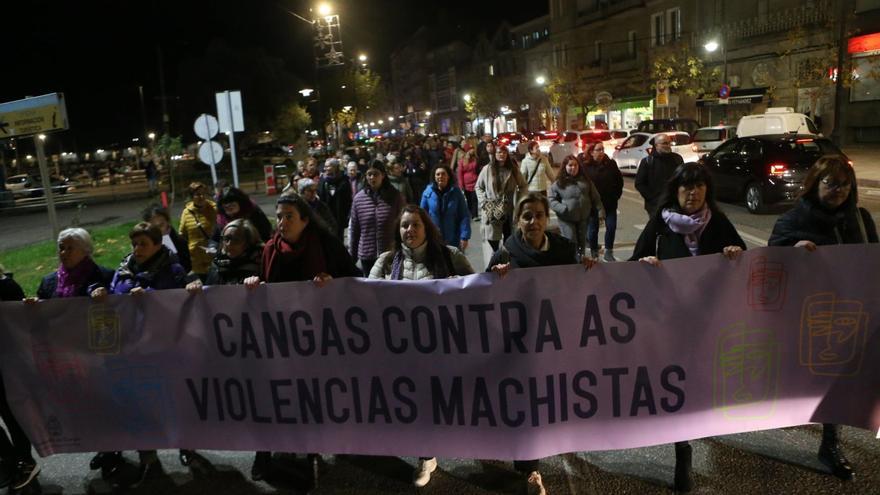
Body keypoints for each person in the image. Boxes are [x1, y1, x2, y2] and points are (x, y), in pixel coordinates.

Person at [629, 163, 746, 493]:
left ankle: (701, 424)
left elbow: (743, 257)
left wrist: (735, 253)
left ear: (707, 190)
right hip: (671, 321)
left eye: (698, 187)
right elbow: (632, 263)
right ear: (675, 191)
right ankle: (684, 452)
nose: (692, 193)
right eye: (685, 188)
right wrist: (645, 264)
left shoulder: (718, 222)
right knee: (678, 384)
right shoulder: (662, 223)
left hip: (709, 320)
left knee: (704, 381)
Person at [768, 155, 877, 482]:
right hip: (804, 315)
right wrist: (794, 251)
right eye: (831, 184)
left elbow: (871, 255)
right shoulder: (792, 220)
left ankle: (830, 443)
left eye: (845, 184)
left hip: (850, 314)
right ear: (815, 184)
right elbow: (770, 259)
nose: (839, 191)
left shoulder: (858, 218)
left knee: (841, 379)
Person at [487, 193, 597, 495]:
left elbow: (583, 284)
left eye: (538, 215)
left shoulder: (565, 250)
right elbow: (483, 298)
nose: (533, 221)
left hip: (559, 344)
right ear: (518, 221)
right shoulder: (506, 253)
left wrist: (587, 266)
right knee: (528, 405)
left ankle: (562, 442)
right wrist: (495, 277)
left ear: (547, 218)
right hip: (522, 348)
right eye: (526, 216)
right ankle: (530, 468)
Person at [90, 222, 188, 488]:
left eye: (143, 243)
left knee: (167, 403)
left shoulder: (173, 269)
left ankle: (187, 445)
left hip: (160, 350)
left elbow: (179, 304)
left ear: (158, 244)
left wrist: (151, 296)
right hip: (128, 349)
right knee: (137, 407)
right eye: (134, 243)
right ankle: (149, 461)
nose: (137, 249)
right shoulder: (124, 269)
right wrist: (96, 292)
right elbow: (112, 295)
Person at [0, 264, 40, 491]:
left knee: (11, 415)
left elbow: (20, 322)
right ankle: (10, 458)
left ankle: (25, 461)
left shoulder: (6, 286)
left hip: (6, 363)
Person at [349, 161, 404, 276]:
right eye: (369, 174)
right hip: (367, 255)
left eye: (376, 174)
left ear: (383, 175)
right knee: (370, 292)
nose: (372, 177)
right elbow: (355, 230)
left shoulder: (395, 196)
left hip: (390, 253)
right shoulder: (358, 199)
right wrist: (352, 258)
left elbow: (402, 224)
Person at [475, 145, 528, 251]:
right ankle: (497, 254)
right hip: (492, 207)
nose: (502, 155)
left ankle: (506, 257)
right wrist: (484, 202)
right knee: (493, 238)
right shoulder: (487, 169)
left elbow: (523, 185)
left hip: (509, 208)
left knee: (508, 236)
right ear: (494, 154)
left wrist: (519, 201)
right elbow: (478, 187)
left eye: (504, 152)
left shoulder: (513, 168)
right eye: (499, 152)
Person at [549, 155, 604, 256]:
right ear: (565, 167)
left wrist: (600, 211)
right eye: (570, 165)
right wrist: (562, 208)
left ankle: (581, 263)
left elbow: (596, 197)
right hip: (566, 219)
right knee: (571, 242)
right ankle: (572, 265)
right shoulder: (559, 183)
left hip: (583, 218)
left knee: (582, 243)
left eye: (575, 165)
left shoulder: (586, 181)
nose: (573, 168)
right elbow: (551, 199)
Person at [584, 142, 624, 261]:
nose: (601, 152)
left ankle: (608, 251)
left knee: (611, 227)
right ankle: (594, 252)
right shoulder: (586, 166)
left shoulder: (611, 164)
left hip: (610, 203)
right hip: (593, 205)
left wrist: (616, 195)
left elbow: (619, 181)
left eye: (602, 149)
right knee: (592, 230)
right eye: (598, 149)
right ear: (591, 152)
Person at [420, 164, 471, 250]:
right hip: (434, 238)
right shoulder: (427, 193)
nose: (440, 176)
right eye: (438, 174)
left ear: (448, 176)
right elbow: (422, 216)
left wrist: (464, 237)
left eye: (443, 174)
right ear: (434, 177)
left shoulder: (456, 192)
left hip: (453, 238)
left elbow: (464, 215)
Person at [634, 133, 684, 216]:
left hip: (674, 204)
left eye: (669, 143)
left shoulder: (677, 159)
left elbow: (683, 178)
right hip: (655, 206)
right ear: (656, 145)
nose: (668, 145)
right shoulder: (648, 161)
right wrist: (652, 198)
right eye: (664, 143)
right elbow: (639, 183)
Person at [179, 181, 217, 281]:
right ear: (192, 196)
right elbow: (182, 234)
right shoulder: (187, 212)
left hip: (213, 260)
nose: (201, 197)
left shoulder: (214, 209)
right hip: (196, 262)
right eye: (197, 194)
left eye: (203, 194)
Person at [141, 205, 192, 273]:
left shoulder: (180, 241)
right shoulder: (142, 244)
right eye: (154, 227)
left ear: (168, 222)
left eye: (161, 225)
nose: (158, 230)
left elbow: (187, 266)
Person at [317, 158, 353, 241]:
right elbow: (320, 194)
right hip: (326, 215)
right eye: (325, 166)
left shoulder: (344, 180)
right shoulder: (323, 179)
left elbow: (347, 199)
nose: (325, 168)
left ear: (335, 167)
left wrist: (347, 214)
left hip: (339, 215)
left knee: (339, 239)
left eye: (327, 166)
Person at [457, 143, 480, 220]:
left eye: (473, 149)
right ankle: (471, 213)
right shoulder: (462, 161)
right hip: (466, 184)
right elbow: (459, 173)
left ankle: (475, 215)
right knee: (469, 200)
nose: (472, 150)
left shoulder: (475, 159)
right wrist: (461, 185)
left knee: (474, 199)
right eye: (470, 149)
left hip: (475, 182)